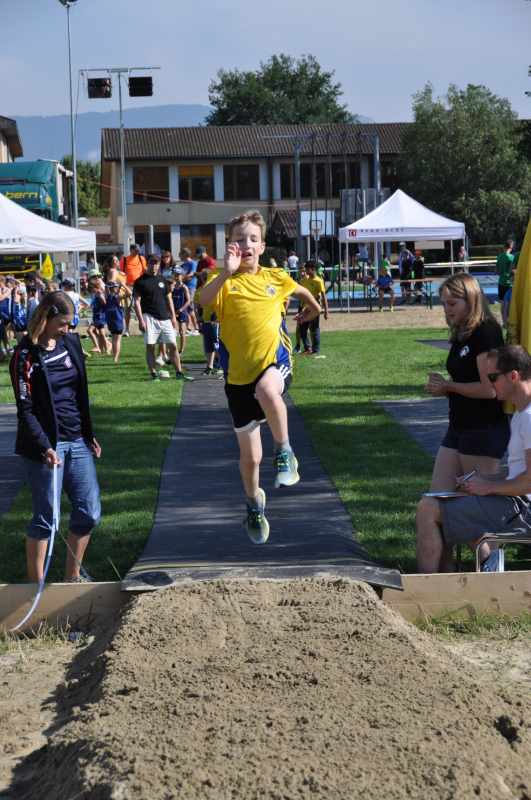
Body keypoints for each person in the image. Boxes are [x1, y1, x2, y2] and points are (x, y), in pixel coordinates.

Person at [199, 209, 320, 545]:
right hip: (237, 379)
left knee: (268, 390)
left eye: (253, 239)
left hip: (275, 363)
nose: (246, 245)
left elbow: (301, 293)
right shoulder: (221, 280)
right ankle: (254, 503)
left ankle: (284, 451)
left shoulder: (276, 277)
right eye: (240, 239)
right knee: (251, 458)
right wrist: (226, 271)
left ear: (263, 246)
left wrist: (314, 309)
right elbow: (204, 301)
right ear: (230, 245)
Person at [9, 291, 101, 583]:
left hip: (77, 440)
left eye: (70, 324)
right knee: (47, 519)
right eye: (62, 323)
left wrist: (89, 435)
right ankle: (35, 589)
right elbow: (25, 410)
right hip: (46, 445)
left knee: (89, 513)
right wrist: (45, 447)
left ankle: (72, 580)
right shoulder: (25, 354)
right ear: (45, 317)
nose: (66, 329)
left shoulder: (71, 343)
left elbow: (79, 393)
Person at [417, 344, 531, 574]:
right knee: (435, 501)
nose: (489, 384)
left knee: (428, 508)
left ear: (513, 376)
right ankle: (470, 571)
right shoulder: (521, 413)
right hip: (519, 505)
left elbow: (529, 482)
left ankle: (426, 585)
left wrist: (487, 487)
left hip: (524, 509)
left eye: (492, 377)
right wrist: (482, 481)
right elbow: (516, 472)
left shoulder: (529, 417)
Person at [423, 272, 510, 571]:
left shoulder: (485, 333)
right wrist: (445, 387)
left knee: (478, 507)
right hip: (458, 426)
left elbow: (490, 390)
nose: (447, 309)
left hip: (482, 429)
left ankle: (491, 564)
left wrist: (448, 386)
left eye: (452, 303)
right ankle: (443, 579)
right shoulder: (463, 332)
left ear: (471, 299)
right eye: (443, 303)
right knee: (436, 503)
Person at [133, 254, 193, 383]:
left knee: (173, 345)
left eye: (156, 263)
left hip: (165, 318)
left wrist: (173, 317)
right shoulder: (140, 281)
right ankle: (154, 374)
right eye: (151, 263)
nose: (153, 266)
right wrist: (141, 320)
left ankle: (179, 373)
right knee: (151, 347)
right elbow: (137, 302)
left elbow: (168, 298)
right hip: (149, 317)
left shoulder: (162, 279)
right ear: (147, 264)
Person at [299, 261, 329, 355]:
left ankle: (316, 349)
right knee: (302, 328)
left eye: (307, 269)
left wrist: (326, 312)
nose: (306, 271)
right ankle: (308, 348)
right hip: (305, 308)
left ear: (313, 269)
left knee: (314, 328)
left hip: (315, 308)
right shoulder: (304, 281)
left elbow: (324, 297)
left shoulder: (318, 281)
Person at [120, 243, 147, 337]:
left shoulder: (141, 258)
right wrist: (123, 285)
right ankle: (127, 329)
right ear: (131, 250)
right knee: (128, 307)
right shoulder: (124, 260)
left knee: (141, 306)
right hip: (128, 286)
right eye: (135, 251)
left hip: (139, 285)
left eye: (138, 251)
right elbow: (121, 273)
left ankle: (143, 326)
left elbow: (145, 270)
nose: (136, 252)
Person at [105, 280, 131, 362]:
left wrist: (108, 282)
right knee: (117, 340)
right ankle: (115, 359)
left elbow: (106, 288)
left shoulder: (107, 297)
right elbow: (130, 293)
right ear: (115, 289)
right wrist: (124, 285)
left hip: (110, 322)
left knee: (113, 339)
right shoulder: (118, 297)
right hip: (118, 322)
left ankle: (114, 357)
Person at [168, 269, 190, 356]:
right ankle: (169, 350)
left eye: (178, 275)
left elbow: (188, 301)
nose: (176, 277)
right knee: (170, 330)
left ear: (182, 276)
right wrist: (172, 312)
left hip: (181, 312)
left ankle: (181, 350)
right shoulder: (172, 287)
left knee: (181, 330)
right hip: (172, 312)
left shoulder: (184, 287)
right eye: (175, 275)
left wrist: (181, 310)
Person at [88, 275, 111, 355]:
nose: (91, 290)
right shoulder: (95, 295)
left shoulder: (100, 295)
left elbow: (105, 305)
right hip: (96, 316)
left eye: (92, 288)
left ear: (97, 287)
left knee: (89, 330)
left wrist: (106, 314)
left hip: (100, 316)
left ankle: (97, 346)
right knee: (101, 333)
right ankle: (107, 348)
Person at [179, 247, 200, 335]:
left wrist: (181, 279)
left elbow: (190, 275)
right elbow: (183, 277)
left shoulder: (193, 263)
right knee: (186, 308)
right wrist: (184, 279)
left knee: (191, 308)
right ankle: (189, 328)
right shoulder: (182, 266)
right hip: (184, 287)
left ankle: (196, 328)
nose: (179, 256)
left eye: (180, 254)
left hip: (191, 287)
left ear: (184, 254)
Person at [495, 240, 514, 328]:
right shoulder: (512, 257)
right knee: (509, 304)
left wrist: (502, 274)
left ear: (504, 246)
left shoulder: (500, 256)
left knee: (502, 303)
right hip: (509, 283)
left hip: (501, 282)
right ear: (511, 247)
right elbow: (513, 271)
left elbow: (496, 270)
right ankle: (510, 320)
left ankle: (504, 322)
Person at [293, 263, 308, 354]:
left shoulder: (312, 280)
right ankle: (298, 345)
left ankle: (313, 347)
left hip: (309, 306)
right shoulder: (301, 282)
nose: (302, 274)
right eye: (301, 272)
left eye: (304, 271)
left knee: (311, 327)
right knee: (298, 326)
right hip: (301, 306)